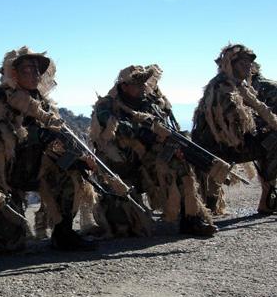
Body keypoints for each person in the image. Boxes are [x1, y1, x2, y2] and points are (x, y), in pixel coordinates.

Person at [0, 46, 99, 252]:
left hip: (39, 168)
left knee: (73, 171)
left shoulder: (42, 103)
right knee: (8, 245)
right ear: (14, 73)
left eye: (36, 70)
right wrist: (37, 135)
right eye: (27, 70)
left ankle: (64, 233)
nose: (35, 75)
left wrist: (76, 156)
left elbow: (57, 132)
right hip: (5, 176)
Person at [90, 64, 218, 236]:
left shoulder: (149, 104)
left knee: (180, 166)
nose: (143, 87)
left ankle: (191, 219)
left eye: (144, 83)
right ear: (124, 86)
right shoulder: (106, 105)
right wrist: (143, 130)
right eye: (138, 84)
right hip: (118, 169)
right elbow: (117, 128)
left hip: (147, 162)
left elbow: (163, 128)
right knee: (126, 227)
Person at [192, 44, 277, 215]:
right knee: (273, 141)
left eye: (248, 64)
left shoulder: (240, 86)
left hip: (231, 142)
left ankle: (268, 197)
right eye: (242, 64)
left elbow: (259, 109)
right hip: (218, 146)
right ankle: (267, 199)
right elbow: (235, 123)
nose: (247, 67)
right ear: (230, 65)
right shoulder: (222, 87)